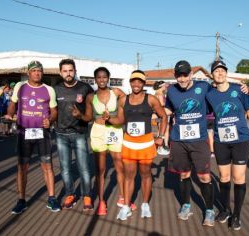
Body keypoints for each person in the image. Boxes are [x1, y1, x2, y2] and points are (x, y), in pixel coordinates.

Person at [206, 60, 249, 231]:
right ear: (212, 75)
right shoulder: (210, 95)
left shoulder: (239, 89)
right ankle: (225, 210)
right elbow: (207, 117)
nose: (220, 73)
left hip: (241, 140)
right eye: (216, 71)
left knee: (238, 178)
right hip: (221, 141)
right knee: (223, 177)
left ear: (226, 72)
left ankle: (236, 214)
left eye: (222, 70)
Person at [106, 70, 167, 221]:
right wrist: (108, 119)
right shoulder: (123, 101)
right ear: (130, 82)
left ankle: (145, 204)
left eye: (140, 81)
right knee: (129, 176)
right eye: (134, 81)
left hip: (146, 144)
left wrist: (160, 136)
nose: (136, 84)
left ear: (144, 83)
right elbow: (120, 121)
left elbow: (163, 116)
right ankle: (126, 206)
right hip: (129, 144)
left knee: (146, 175)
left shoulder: (151, 99)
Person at [164, 60, 216, 226]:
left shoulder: (204, 86)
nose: (182, 79)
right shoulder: (171, 91)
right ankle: (186, 205)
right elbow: (168, 110)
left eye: (185, 75)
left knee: (204, 176)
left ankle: (209, 210)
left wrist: (241, 88)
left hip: (199, 140)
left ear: (191, 74)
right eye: (179, 75)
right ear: (175, 76)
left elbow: (220, 92)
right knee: (184, 174)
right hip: (179, 140)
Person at [5, 60, 61, 214]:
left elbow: (54, 111)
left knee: (47, 166)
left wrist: (49, 120)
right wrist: (10, 114)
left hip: (42, 133)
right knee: (22, 167)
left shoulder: (49, 90)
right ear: (28, 73)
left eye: (39, 71)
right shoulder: (20, 87)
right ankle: (21, 200)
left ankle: (52, 198)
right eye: (34, 70)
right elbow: (13, 104)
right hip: (24, 133)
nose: (37, 73)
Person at [73, 66, 129, 216]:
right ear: (95, 79)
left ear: (108, 78)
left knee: (119, 166)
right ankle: (102, 201)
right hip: (98, 132)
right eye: (99, 77)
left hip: (115, 130)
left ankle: (122, 197)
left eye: (105, 77)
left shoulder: (116, 92)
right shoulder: (91, 97)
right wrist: (79, 116)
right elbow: (88, 117)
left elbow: (129, 105)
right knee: (100, 170)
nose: (102, 80)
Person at [54, 59, 94, 211]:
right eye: (65, 71)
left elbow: (91, 111)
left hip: (79, 133)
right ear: (60, 72)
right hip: (60, 134)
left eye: (70, 70)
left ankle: (87, 196)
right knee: (65, 168)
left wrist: (81, 115)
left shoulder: (85, 88)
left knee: (83, 167)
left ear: (75, 71)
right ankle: (70, 194)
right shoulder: (56, 89)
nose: (68, 73)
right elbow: (51, 109)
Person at [153, 80, 170, 155]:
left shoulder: (157, 93)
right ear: (161, 86)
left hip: (159, 113)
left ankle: (161, 146)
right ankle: (162, 147)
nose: (166, 87)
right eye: (165, 85)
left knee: (161, 130)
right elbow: (161, 104)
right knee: (163, 130)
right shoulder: (159, 94)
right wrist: (169, 104)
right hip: (162, 114)